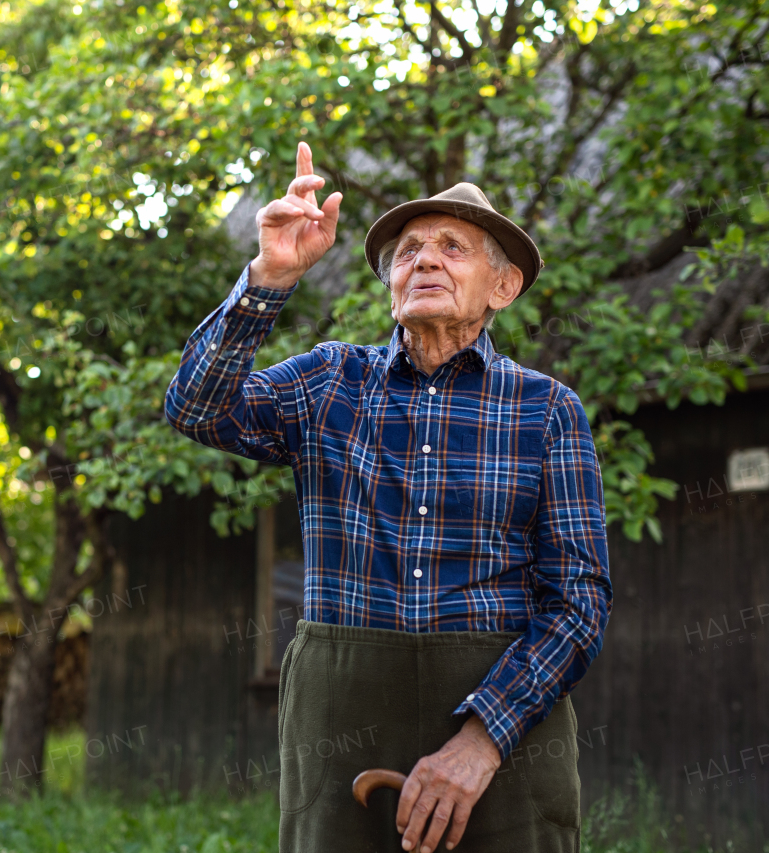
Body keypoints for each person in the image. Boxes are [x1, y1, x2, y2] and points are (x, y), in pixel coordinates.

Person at [164, 141, 612, 852]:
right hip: (341, 716)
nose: (424, 259)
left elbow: (578, 602)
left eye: (452, 247)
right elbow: (195, 408)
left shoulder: (547, 409)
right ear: (390, 285)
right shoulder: (330, 380)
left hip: (506, 725)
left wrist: (483, 737)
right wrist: (269, 278)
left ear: (503, 287)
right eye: (407, 251)